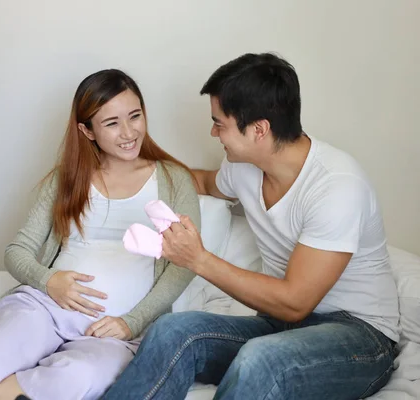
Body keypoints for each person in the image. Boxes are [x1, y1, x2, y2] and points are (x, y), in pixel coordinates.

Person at [102, 53, 401, 400]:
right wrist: (130, 168)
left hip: (360, 338)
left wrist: (198, 259)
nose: (213, 132)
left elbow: (295, 303)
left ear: (259, 129)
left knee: (261, 359)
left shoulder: (338, 186)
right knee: (172, 331)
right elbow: (198, 181)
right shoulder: (242, 168)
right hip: (280, 326)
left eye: (219, 123)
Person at [0, 69, 200, 400]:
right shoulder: (69, 179)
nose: (128, 132)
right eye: (111, 123)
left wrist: (131, 322)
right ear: (87, 130)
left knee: (79, 377)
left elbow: (185, 264)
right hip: (45, 309)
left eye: (135, 116)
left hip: (114, 333)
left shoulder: (173, 179)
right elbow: (17, 250)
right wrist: (49, 280)